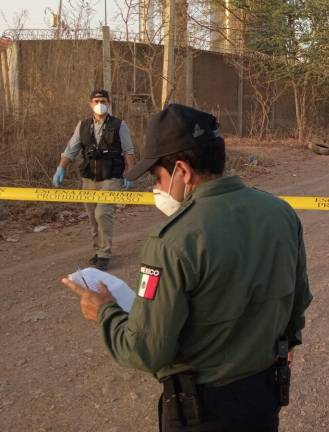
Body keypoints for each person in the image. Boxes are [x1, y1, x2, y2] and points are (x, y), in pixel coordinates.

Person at [61, 104, 313, 432]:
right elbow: (298, 302)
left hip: (203, 411)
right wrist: (288, 342)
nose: (156, 188)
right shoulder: (280, 213)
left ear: (182, 170)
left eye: (157, 177)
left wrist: (106, 312)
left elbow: (147, 350)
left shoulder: (173, 239)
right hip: (263, 398)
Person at [52, 89, 136, 271]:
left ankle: (105, 254)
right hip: (89, 178)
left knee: (102, 214)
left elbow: (128, 151)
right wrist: (61, 167)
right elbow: (71, 150)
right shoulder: (82, 126)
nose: (100, 104)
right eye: (96, 100)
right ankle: (98, 250)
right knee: (92, 217)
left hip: (110, 178)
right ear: (90, 104)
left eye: (103, 100)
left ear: (109, 103)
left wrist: (130, 173)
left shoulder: (119, 125)